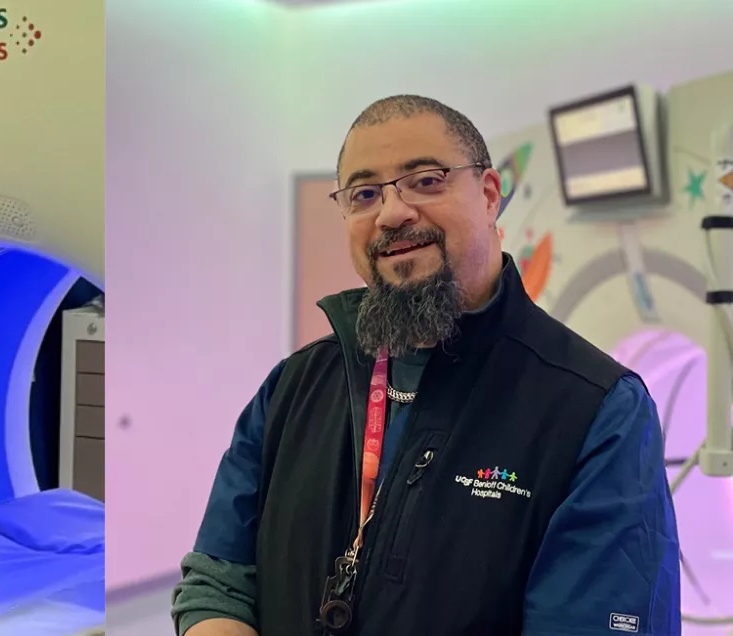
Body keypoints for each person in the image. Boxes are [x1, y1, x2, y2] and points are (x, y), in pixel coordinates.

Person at [171, 95, 681, 636]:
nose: (392, 213)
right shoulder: (292, 387)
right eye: (365, 194)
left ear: (489, 195)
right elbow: (216, 583)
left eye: (427, 180)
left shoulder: (595, 408)